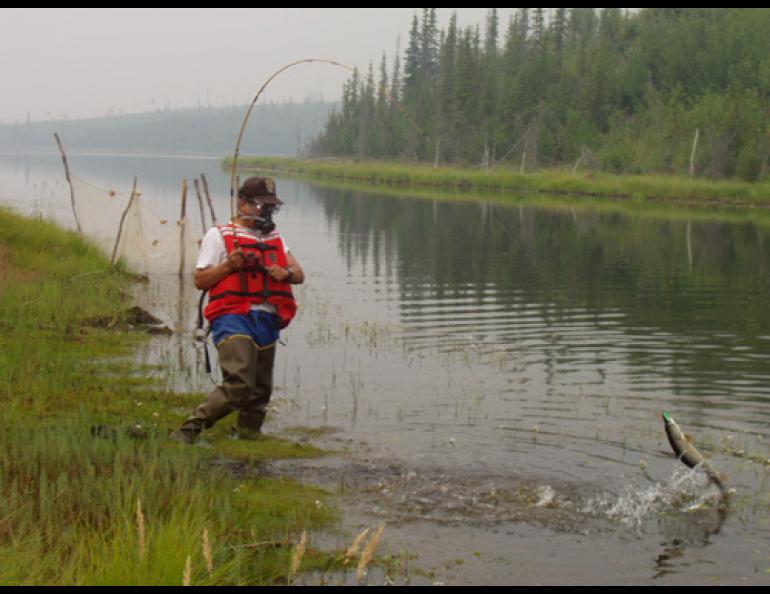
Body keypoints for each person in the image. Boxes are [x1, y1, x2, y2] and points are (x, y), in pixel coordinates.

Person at [170, 176, 304, 444]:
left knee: (260, 390)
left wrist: (285, 272)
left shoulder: (275, 237)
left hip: (266, 318)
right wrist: (229, 266)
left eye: (270, 206)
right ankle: (187, 432)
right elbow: (200, 281)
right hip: (232, 315)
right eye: (259, 205)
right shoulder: (219, 235)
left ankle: (247, 437)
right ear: (242, 203)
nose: (265, 211)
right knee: (240, 383)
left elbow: (299, 274)